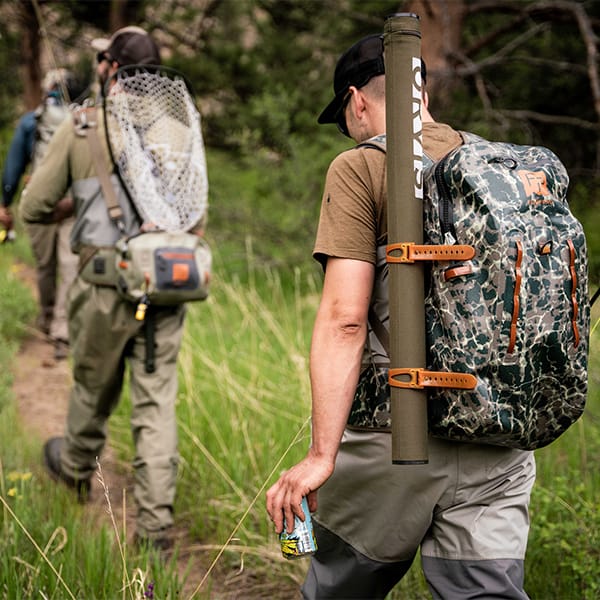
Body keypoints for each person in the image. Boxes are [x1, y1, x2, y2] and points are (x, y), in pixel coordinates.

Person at [266, 34, 535, 599]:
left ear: (357, 101)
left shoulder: (359, 169)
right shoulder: (498, 165)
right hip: (500, 435)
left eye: (345, 118)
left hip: (395, 440)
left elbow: (345, 318)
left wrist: (321, 456)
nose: (350, 132)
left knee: (337, 589)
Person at [20, 26, 202, 551]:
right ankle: (156, 528)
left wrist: (76, 203)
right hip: (168, 284)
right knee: (156, 402)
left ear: (112, 71)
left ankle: (75, 467)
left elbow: (33, 207)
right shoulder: (181, 126)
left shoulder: (82, 127)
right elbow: (195, 212)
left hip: (104, 284)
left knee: (92, 383)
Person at [1, 69, 80, 359]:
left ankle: (47, 319)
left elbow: (13, 168)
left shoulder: (30, 122)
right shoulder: (79, 122)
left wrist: (5, 202)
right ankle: (64, 332)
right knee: (70, 265)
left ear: (46, 89)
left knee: (45, 265)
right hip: (73, 203)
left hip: (40, 201)